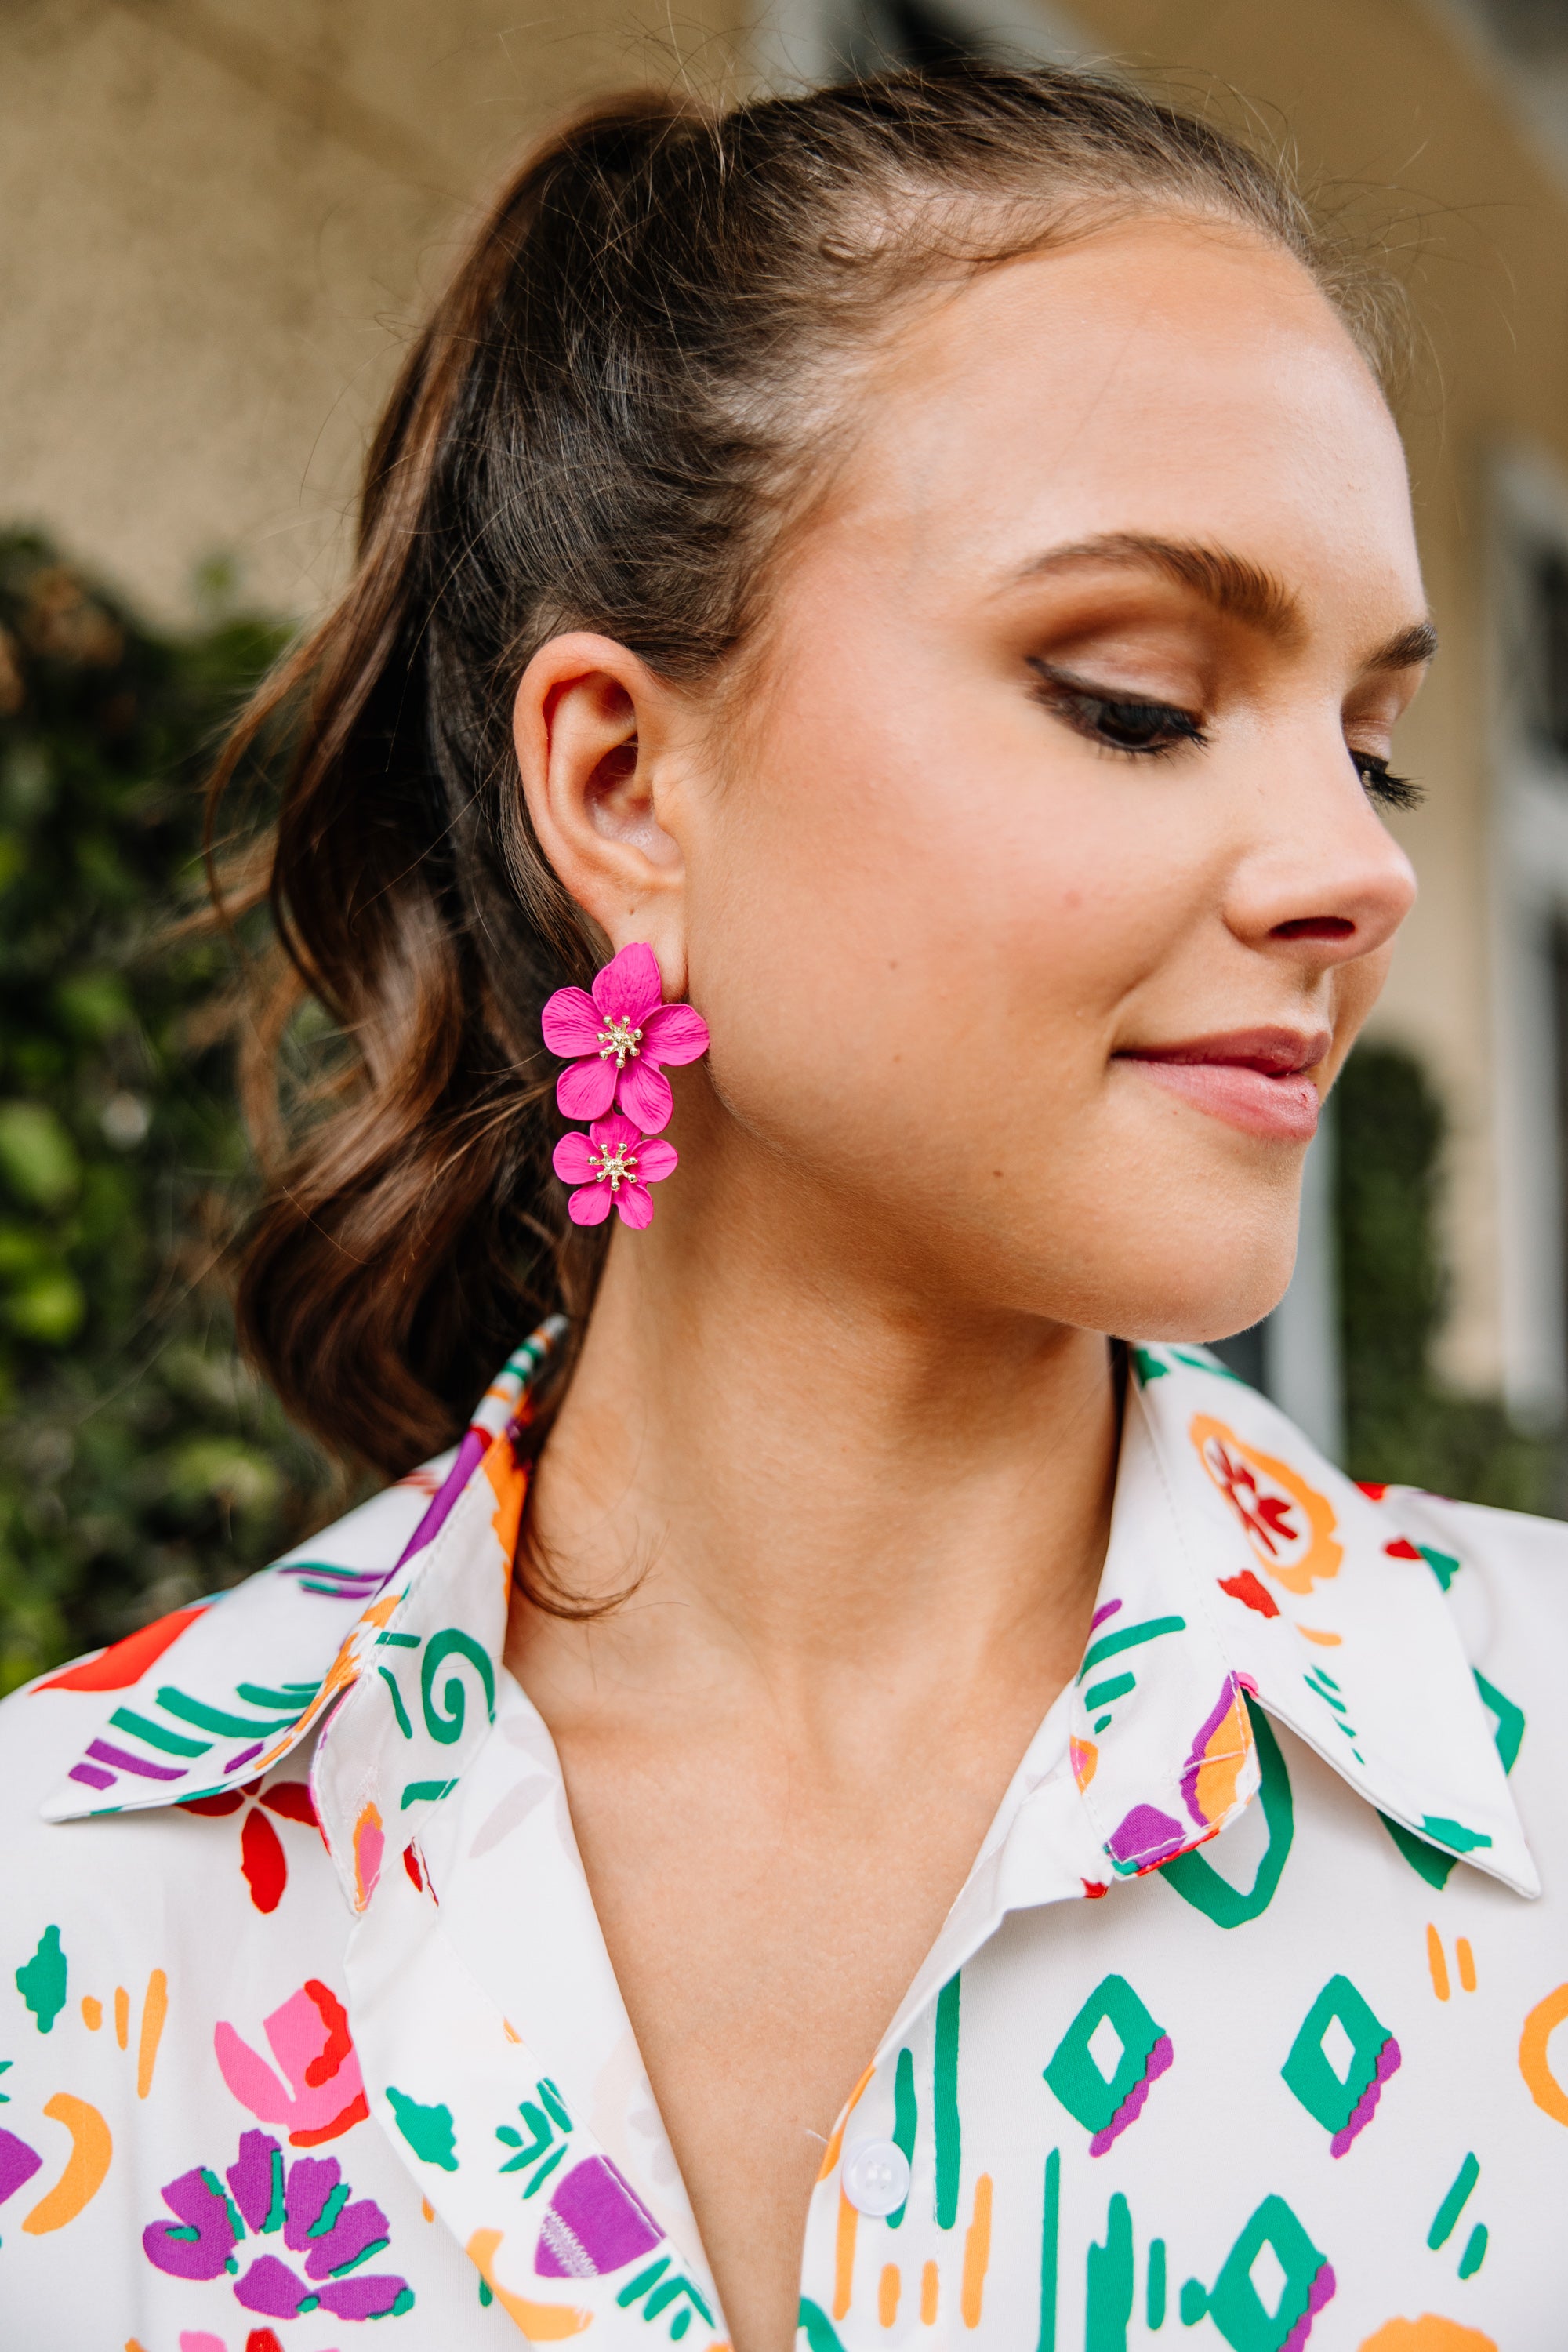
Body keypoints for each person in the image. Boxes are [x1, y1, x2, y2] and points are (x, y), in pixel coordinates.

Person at [2, 56, 1563, 2352]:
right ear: (623, 784)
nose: (1359, 870)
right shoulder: (71, 1909)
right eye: (1139, 698)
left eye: (1376, 740)